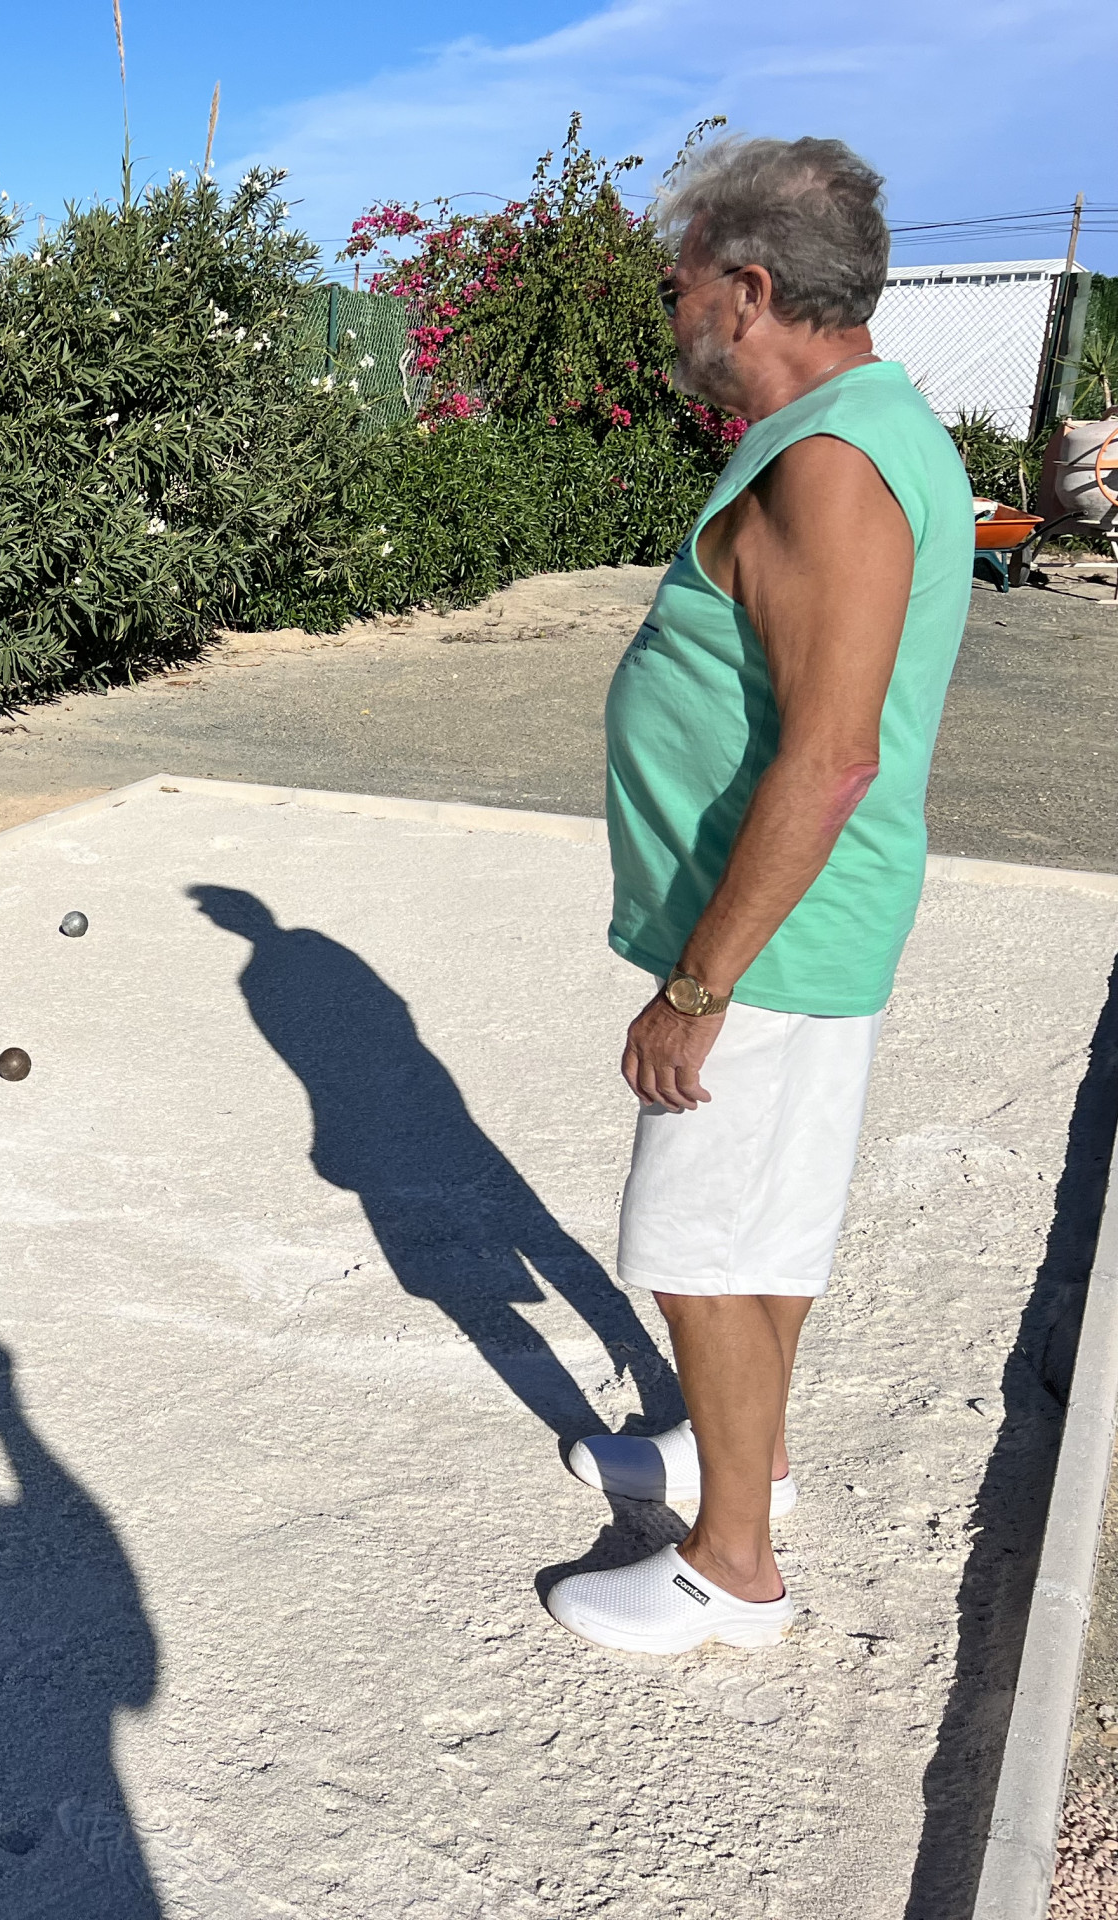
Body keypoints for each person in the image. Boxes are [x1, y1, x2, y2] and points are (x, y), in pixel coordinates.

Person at [548, 136, 975, 1653]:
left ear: (747, 288)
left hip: (771, 941)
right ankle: (749, 1464)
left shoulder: (828, 467)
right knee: (765, 1233)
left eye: (677, 290)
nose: (667, 319)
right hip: (805, 930)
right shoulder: (862, 431)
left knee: (697, 1251)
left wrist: (696, 987)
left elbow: (830, 758)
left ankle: (729, 1570)